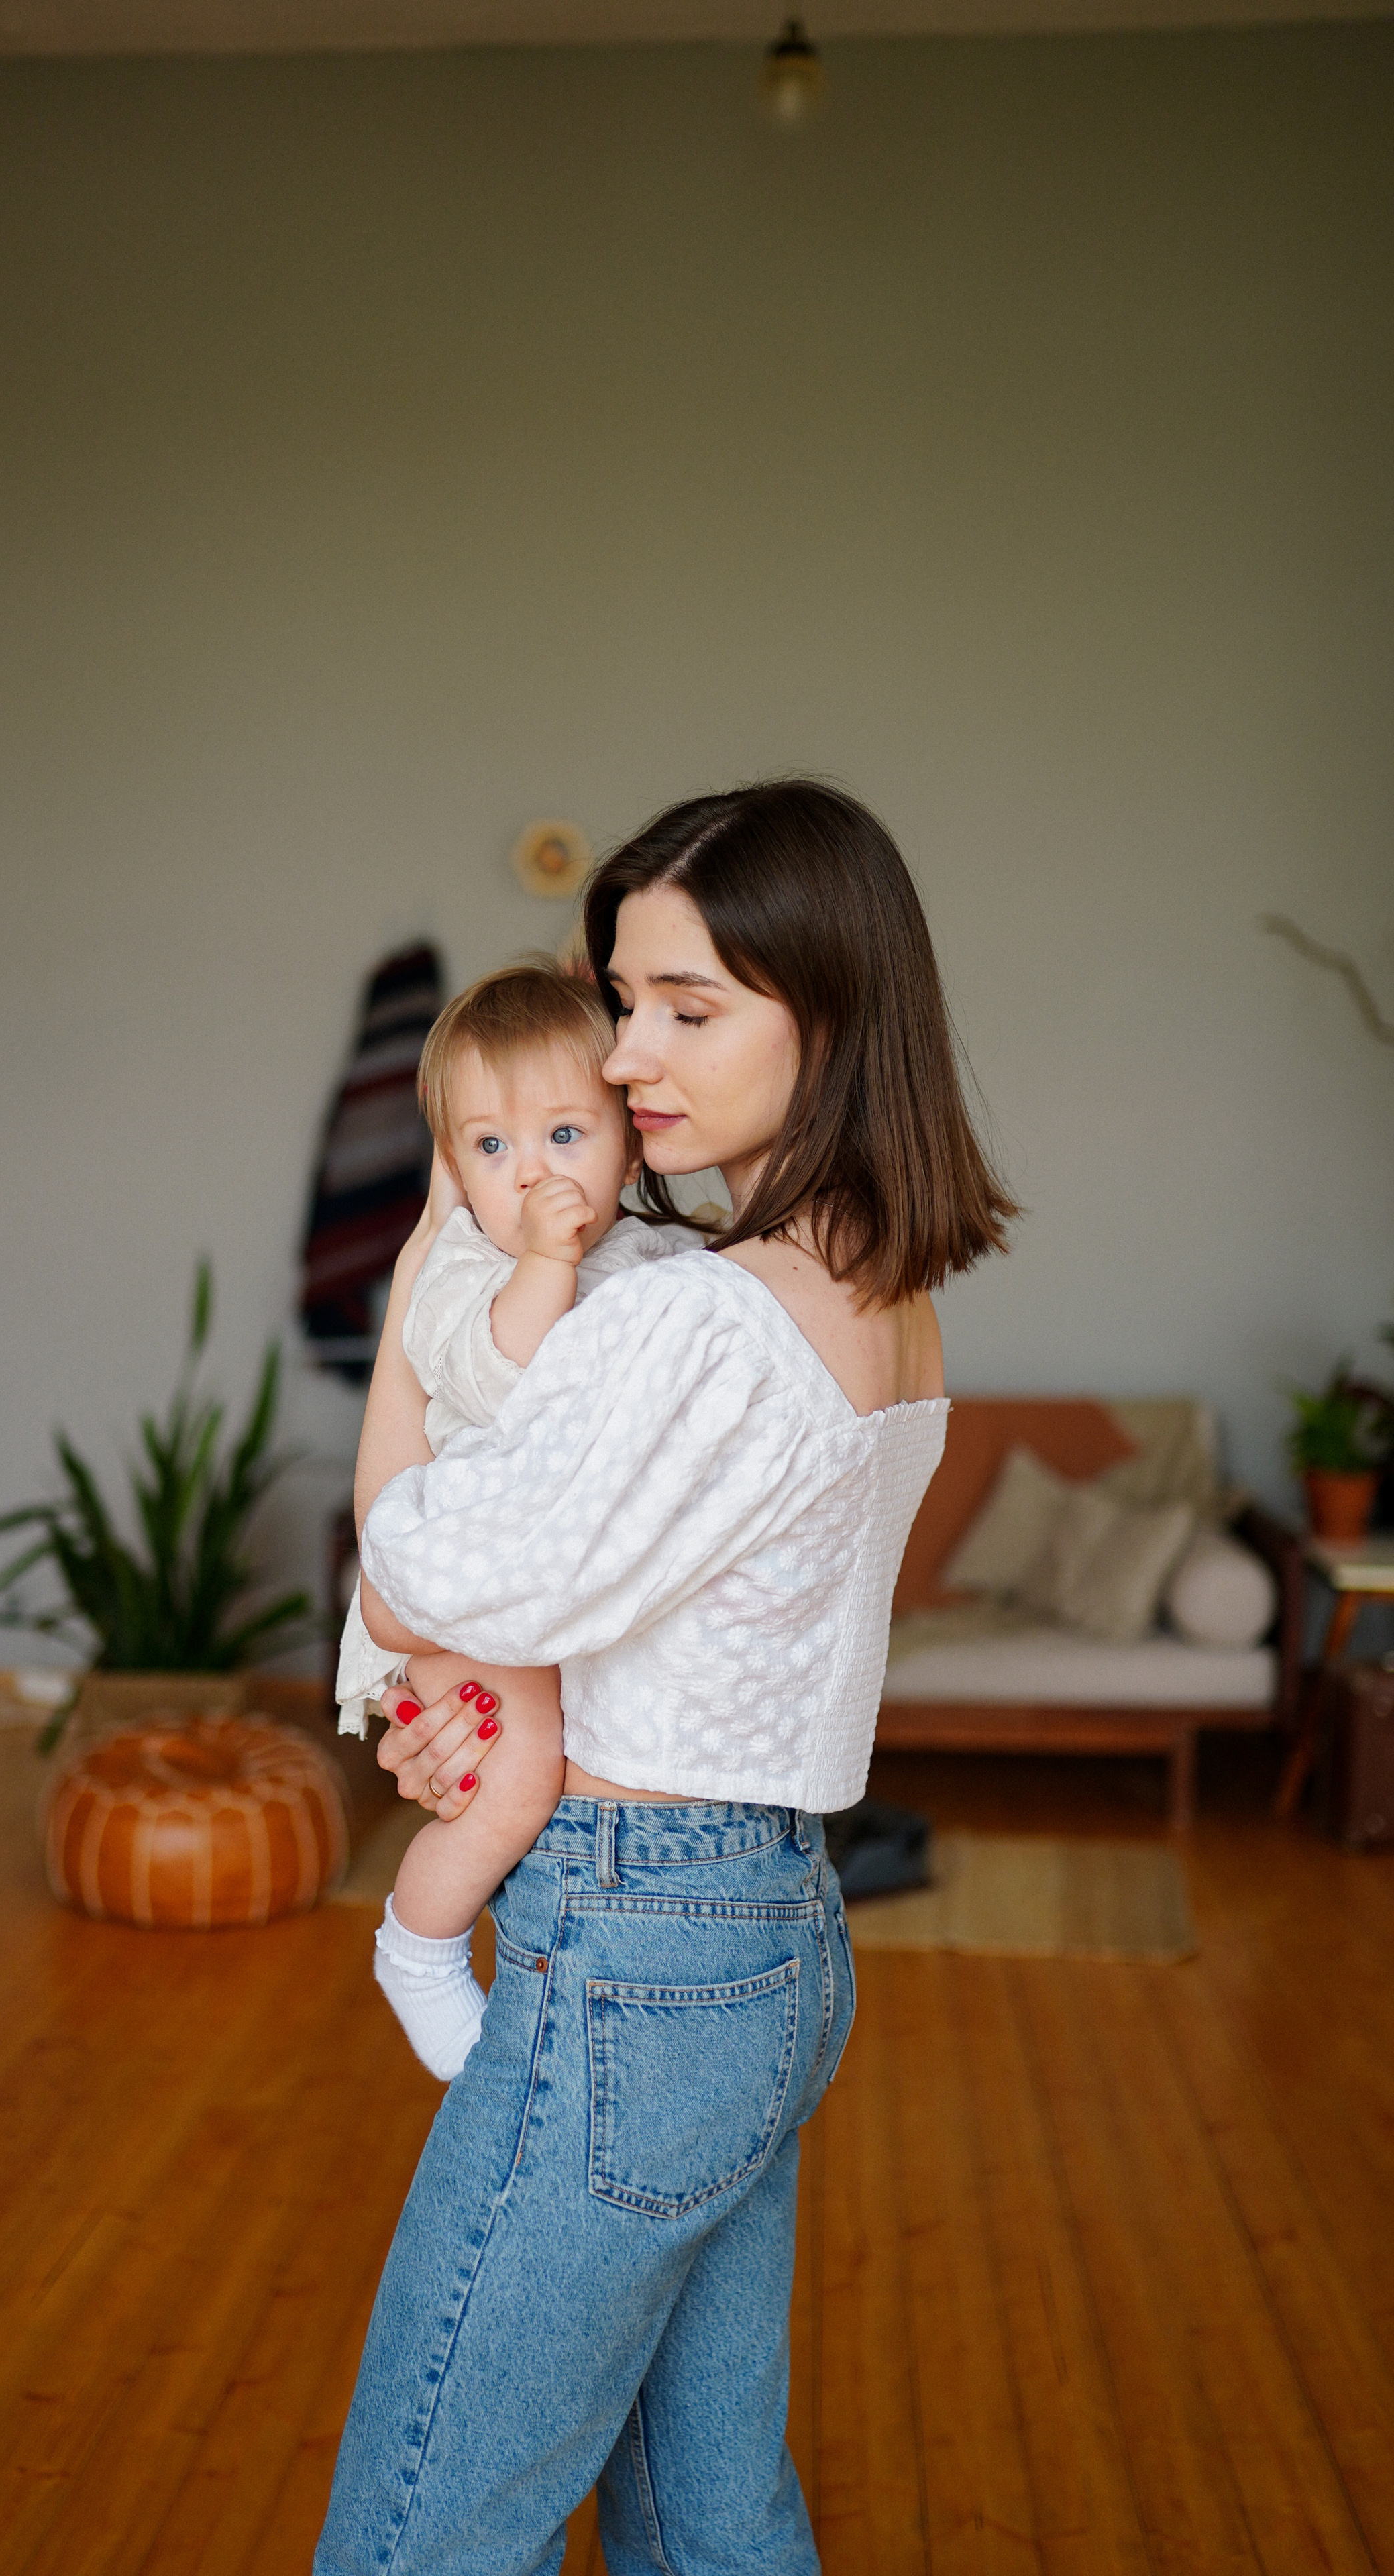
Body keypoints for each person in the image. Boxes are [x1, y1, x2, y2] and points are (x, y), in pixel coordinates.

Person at [315, 780, 1017, 2576]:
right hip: (766, 1931)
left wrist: (419, 1301)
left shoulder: (709, 1317)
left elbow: (421, 1572)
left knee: (422, 2522)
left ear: (836, 1015)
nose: (632, 1055)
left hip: (638, 1958)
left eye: (692, 1010)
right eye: (625, 999)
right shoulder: (879, 1288)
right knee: (710, 2519)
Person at [334, 959, 695, 2078]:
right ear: (454, 1168)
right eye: (490, 1148)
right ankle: (421, 1944)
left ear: (630, 1144)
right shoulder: (464, 1270)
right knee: (520, 1778)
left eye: (563, 1136)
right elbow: (505, 1380)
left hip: (526, 1591)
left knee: (556, 1768)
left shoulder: (649, 1254)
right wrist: (541, 1258)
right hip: (449, 1595)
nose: (531, 1174)